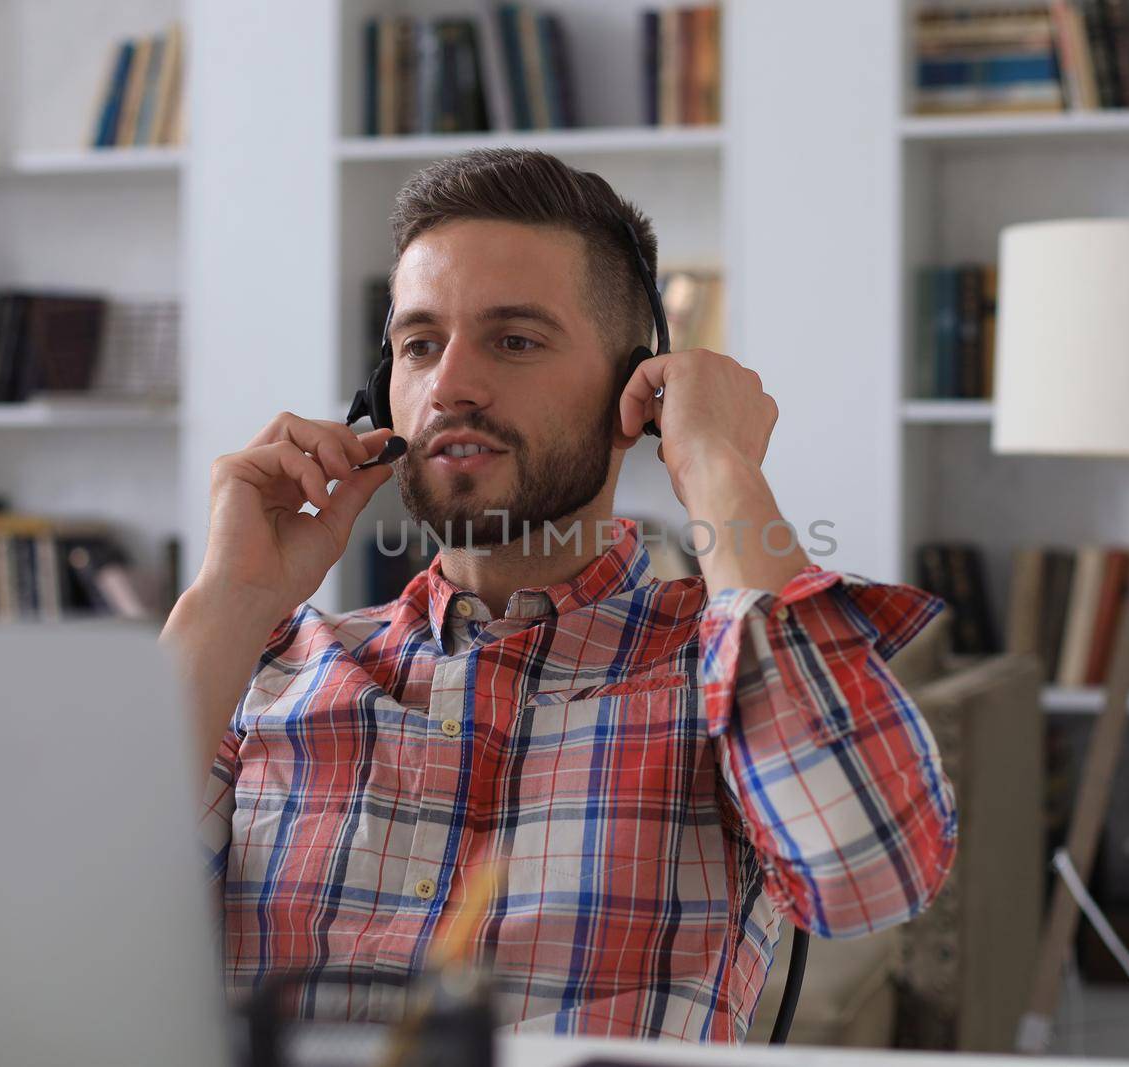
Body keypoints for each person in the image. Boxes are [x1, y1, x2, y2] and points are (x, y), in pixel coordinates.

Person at [161, 147, 956, 1043]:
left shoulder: (721, 669)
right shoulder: (269, 667)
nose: (449, 385)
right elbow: (49, 931)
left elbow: (872, 871)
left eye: (515, 340)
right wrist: (229, 598)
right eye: (419, 345)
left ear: (639, 395)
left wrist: (719, 469)